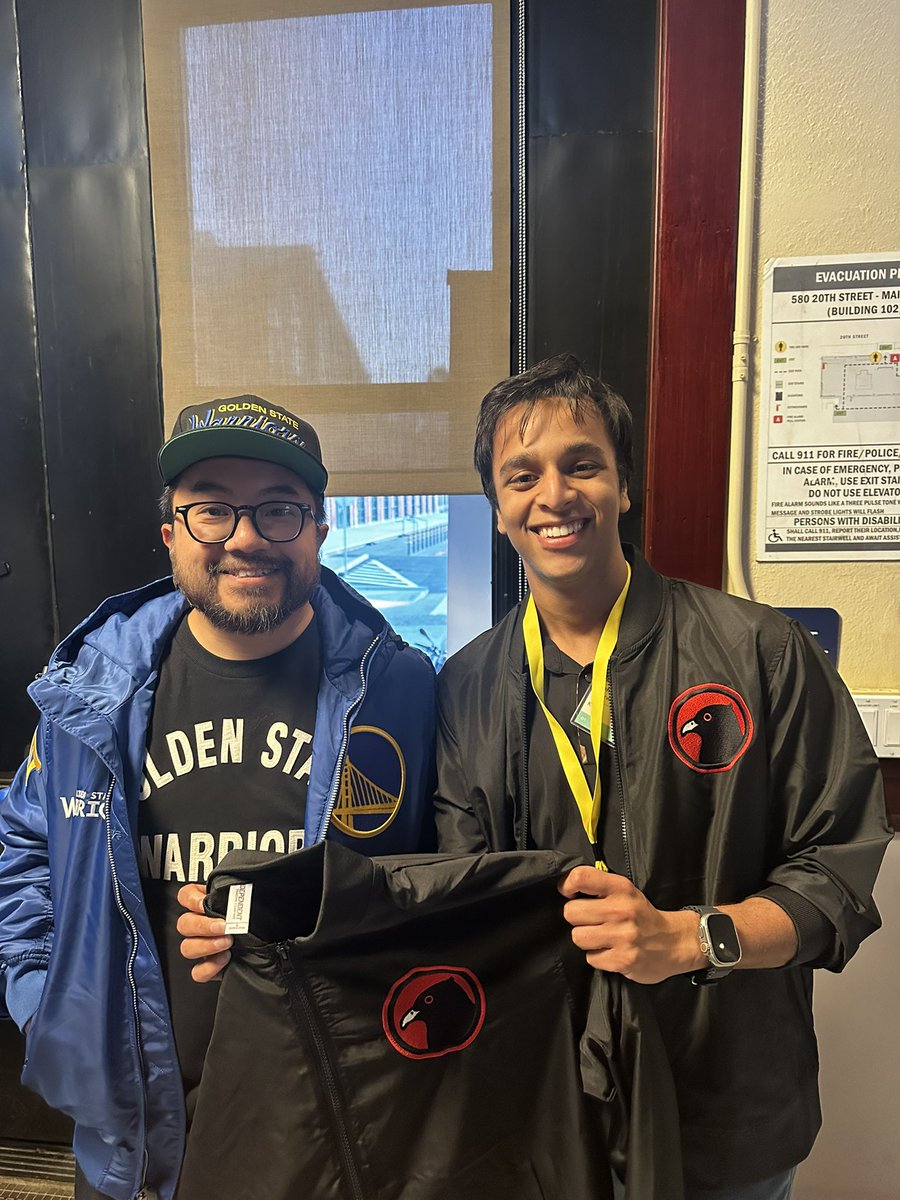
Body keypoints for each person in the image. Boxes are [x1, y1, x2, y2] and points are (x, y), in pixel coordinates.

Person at [433, 353, 891, 1199]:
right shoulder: (465, 687)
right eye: (522, 476)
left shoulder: (761, 652)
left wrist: (691, 939)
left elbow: (836, 877)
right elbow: (459, 890)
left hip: (725, 1110)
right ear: (498, 509)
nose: (554, 495)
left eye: (582, 465)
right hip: (543, 1115)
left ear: (624, 486)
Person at [0, 396, 436, 1200]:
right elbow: (25, 852)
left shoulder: (398, 688)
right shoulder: (88, 693)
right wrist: (47, 999)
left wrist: (307, 929)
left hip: (334, 1130)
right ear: (171, 531)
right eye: (212, 508)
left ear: (318, 529)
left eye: (278, 508)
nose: (244, 537)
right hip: (135, 1145)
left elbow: (439, 888)